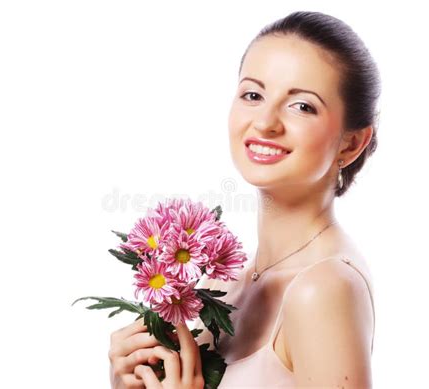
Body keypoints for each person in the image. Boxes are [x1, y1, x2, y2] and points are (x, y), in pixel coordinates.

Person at [109, 10, 380, 388]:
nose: (266, 122)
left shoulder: (323, 288)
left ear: (352, 143)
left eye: (302, 105)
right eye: (253, 94)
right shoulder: (223, 285)